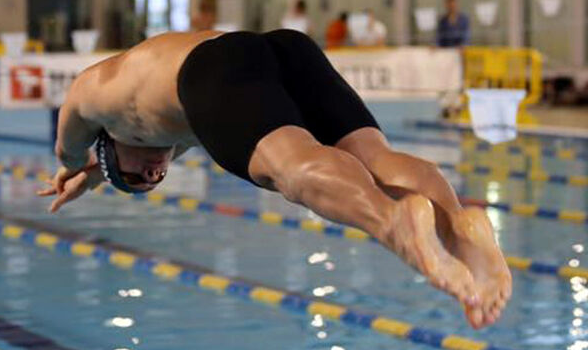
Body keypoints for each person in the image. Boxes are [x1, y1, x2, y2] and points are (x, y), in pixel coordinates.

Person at [39, 30, 511, 329]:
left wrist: (76, 168)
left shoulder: (92, 96)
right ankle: (460, 224)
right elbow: (164, 135)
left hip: (212, 68)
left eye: (135, 173)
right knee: (373, 156)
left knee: (292, 169)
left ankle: (394, 222)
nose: (154, 173)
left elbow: (67, 146)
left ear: (110, 144)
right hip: (281, 48)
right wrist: (105, 173)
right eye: (153, 180)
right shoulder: (165, 121)